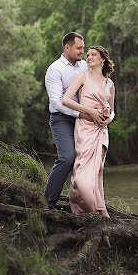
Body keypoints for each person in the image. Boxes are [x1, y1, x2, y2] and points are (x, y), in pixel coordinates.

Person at [44, 32, 107, 210]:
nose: (82, 52)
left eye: (83, 48)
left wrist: (104, 109)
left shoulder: (84, 67)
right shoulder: (55, 69)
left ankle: (85, 205)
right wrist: (82, 114)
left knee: (85, 162)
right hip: (62, 119)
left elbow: (97, 86)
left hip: (85, 121)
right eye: (79, 48)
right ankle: (48, 202)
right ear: (67, 48)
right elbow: (57, 102)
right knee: (67, 158)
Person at [62, 45, 115, 217]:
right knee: (80, 178)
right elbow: (66, 100)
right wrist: (89, 111)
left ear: (102, 59)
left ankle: (102, 212)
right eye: (88, 54)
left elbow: (113, 111)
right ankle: (90, 209)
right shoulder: (82, 77)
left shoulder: (109, 84)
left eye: (93, 54)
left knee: (96, 172)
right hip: (85, 129)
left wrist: (108, 118)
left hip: (101, 132)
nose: (89, 56)